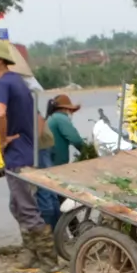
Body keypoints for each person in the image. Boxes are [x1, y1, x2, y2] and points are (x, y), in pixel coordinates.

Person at [0, 36, 50, 269]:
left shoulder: (2, 83)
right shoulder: (18, 81)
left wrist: (3, 138)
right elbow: (36, 117)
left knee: (26, 208)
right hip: (26, 151)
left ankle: (48, 260)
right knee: (17, 206)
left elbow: (0, 112)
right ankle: (32, 253)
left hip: (18, 156)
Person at [35, 94, 86, 230]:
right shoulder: (60, 118)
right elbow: (75, 139)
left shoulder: (51, 118)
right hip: (55, 166)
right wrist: (88, 152)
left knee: (58, 199)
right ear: (65, 109)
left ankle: (68, 230)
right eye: (70, 110)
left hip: (50, 164)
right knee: (62, 198)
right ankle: (75, 230)